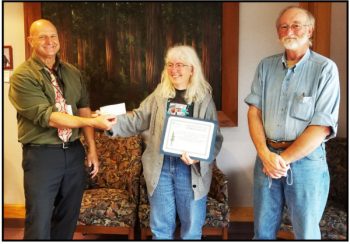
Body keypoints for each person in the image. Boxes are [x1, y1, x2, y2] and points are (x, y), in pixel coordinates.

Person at [8, 19, 116, 240]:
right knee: (39, 220)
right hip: (42, 156)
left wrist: (92, 150)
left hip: (74, 152)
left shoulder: (72, 72)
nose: (50, 41)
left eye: (54, 36)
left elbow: (84, 108)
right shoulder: (22, 76)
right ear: (30, 41)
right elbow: (51, 117)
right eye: (42, 37)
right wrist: (94, 123)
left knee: (68, 218)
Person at [106, 45, 223, 239]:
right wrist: (111, 123)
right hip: (160, 168)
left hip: (190, 171)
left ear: (191, 69)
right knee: (160, 229)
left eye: (180, 65)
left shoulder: (204, 99)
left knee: (192, 231)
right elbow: (137, 118)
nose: (174, 70)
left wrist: (198, 157)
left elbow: (215, 139)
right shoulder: (159, 95)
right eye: (170, 65)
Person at [245, 6, 340, 239]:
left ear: (310, 31)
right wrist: (266, 156)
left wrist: (280, 161)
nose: (289, 31)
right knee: (262, 232)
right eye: (284, 26)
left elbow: (321, 127)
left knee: (306, 234)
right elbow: (253, 113)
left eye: (296, 25)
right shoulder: (265, 66)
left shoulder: (325, 69)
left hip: (306, 163)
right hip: (266, 157)